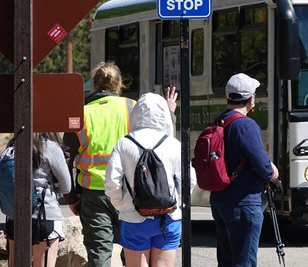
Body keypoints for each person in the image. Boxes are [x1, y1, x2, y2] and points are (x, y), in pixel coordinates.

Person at [62, 61, 179, 267]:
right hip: (132, 191)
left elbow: (66, 160)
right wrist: (170, 113)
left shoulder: (81, 114)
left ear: (94, 86)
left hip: (94, 194)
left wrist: (71, 198)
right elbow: (158, 138)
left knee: (99, 253)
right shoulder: (133, 108)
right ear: (119, 85)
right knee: (134, 251)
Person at [104, 92, 195, 267]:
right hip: (169, 217)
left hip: (133, 217)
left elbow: (111, 182)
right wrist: (176, 203)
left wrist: (122, 205)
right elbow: (189, 179)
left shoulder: (124, 143)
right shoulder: (173, 144)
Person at [210, 73, 279, 267]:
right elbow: (263, 165)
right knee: (244, 262)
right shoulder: (246, 126)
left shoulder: (219, 121)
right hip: (244, 203)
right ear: (251, 99)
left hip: (220, 200)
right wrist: (273, 172)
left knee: (226, 261)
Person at [5, 133, 72, 267]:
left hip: (15, 215)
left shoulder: (13, 145)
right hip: (45, 214)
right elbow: (66, 186)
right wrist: (51, 188)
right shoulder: (50, 148)